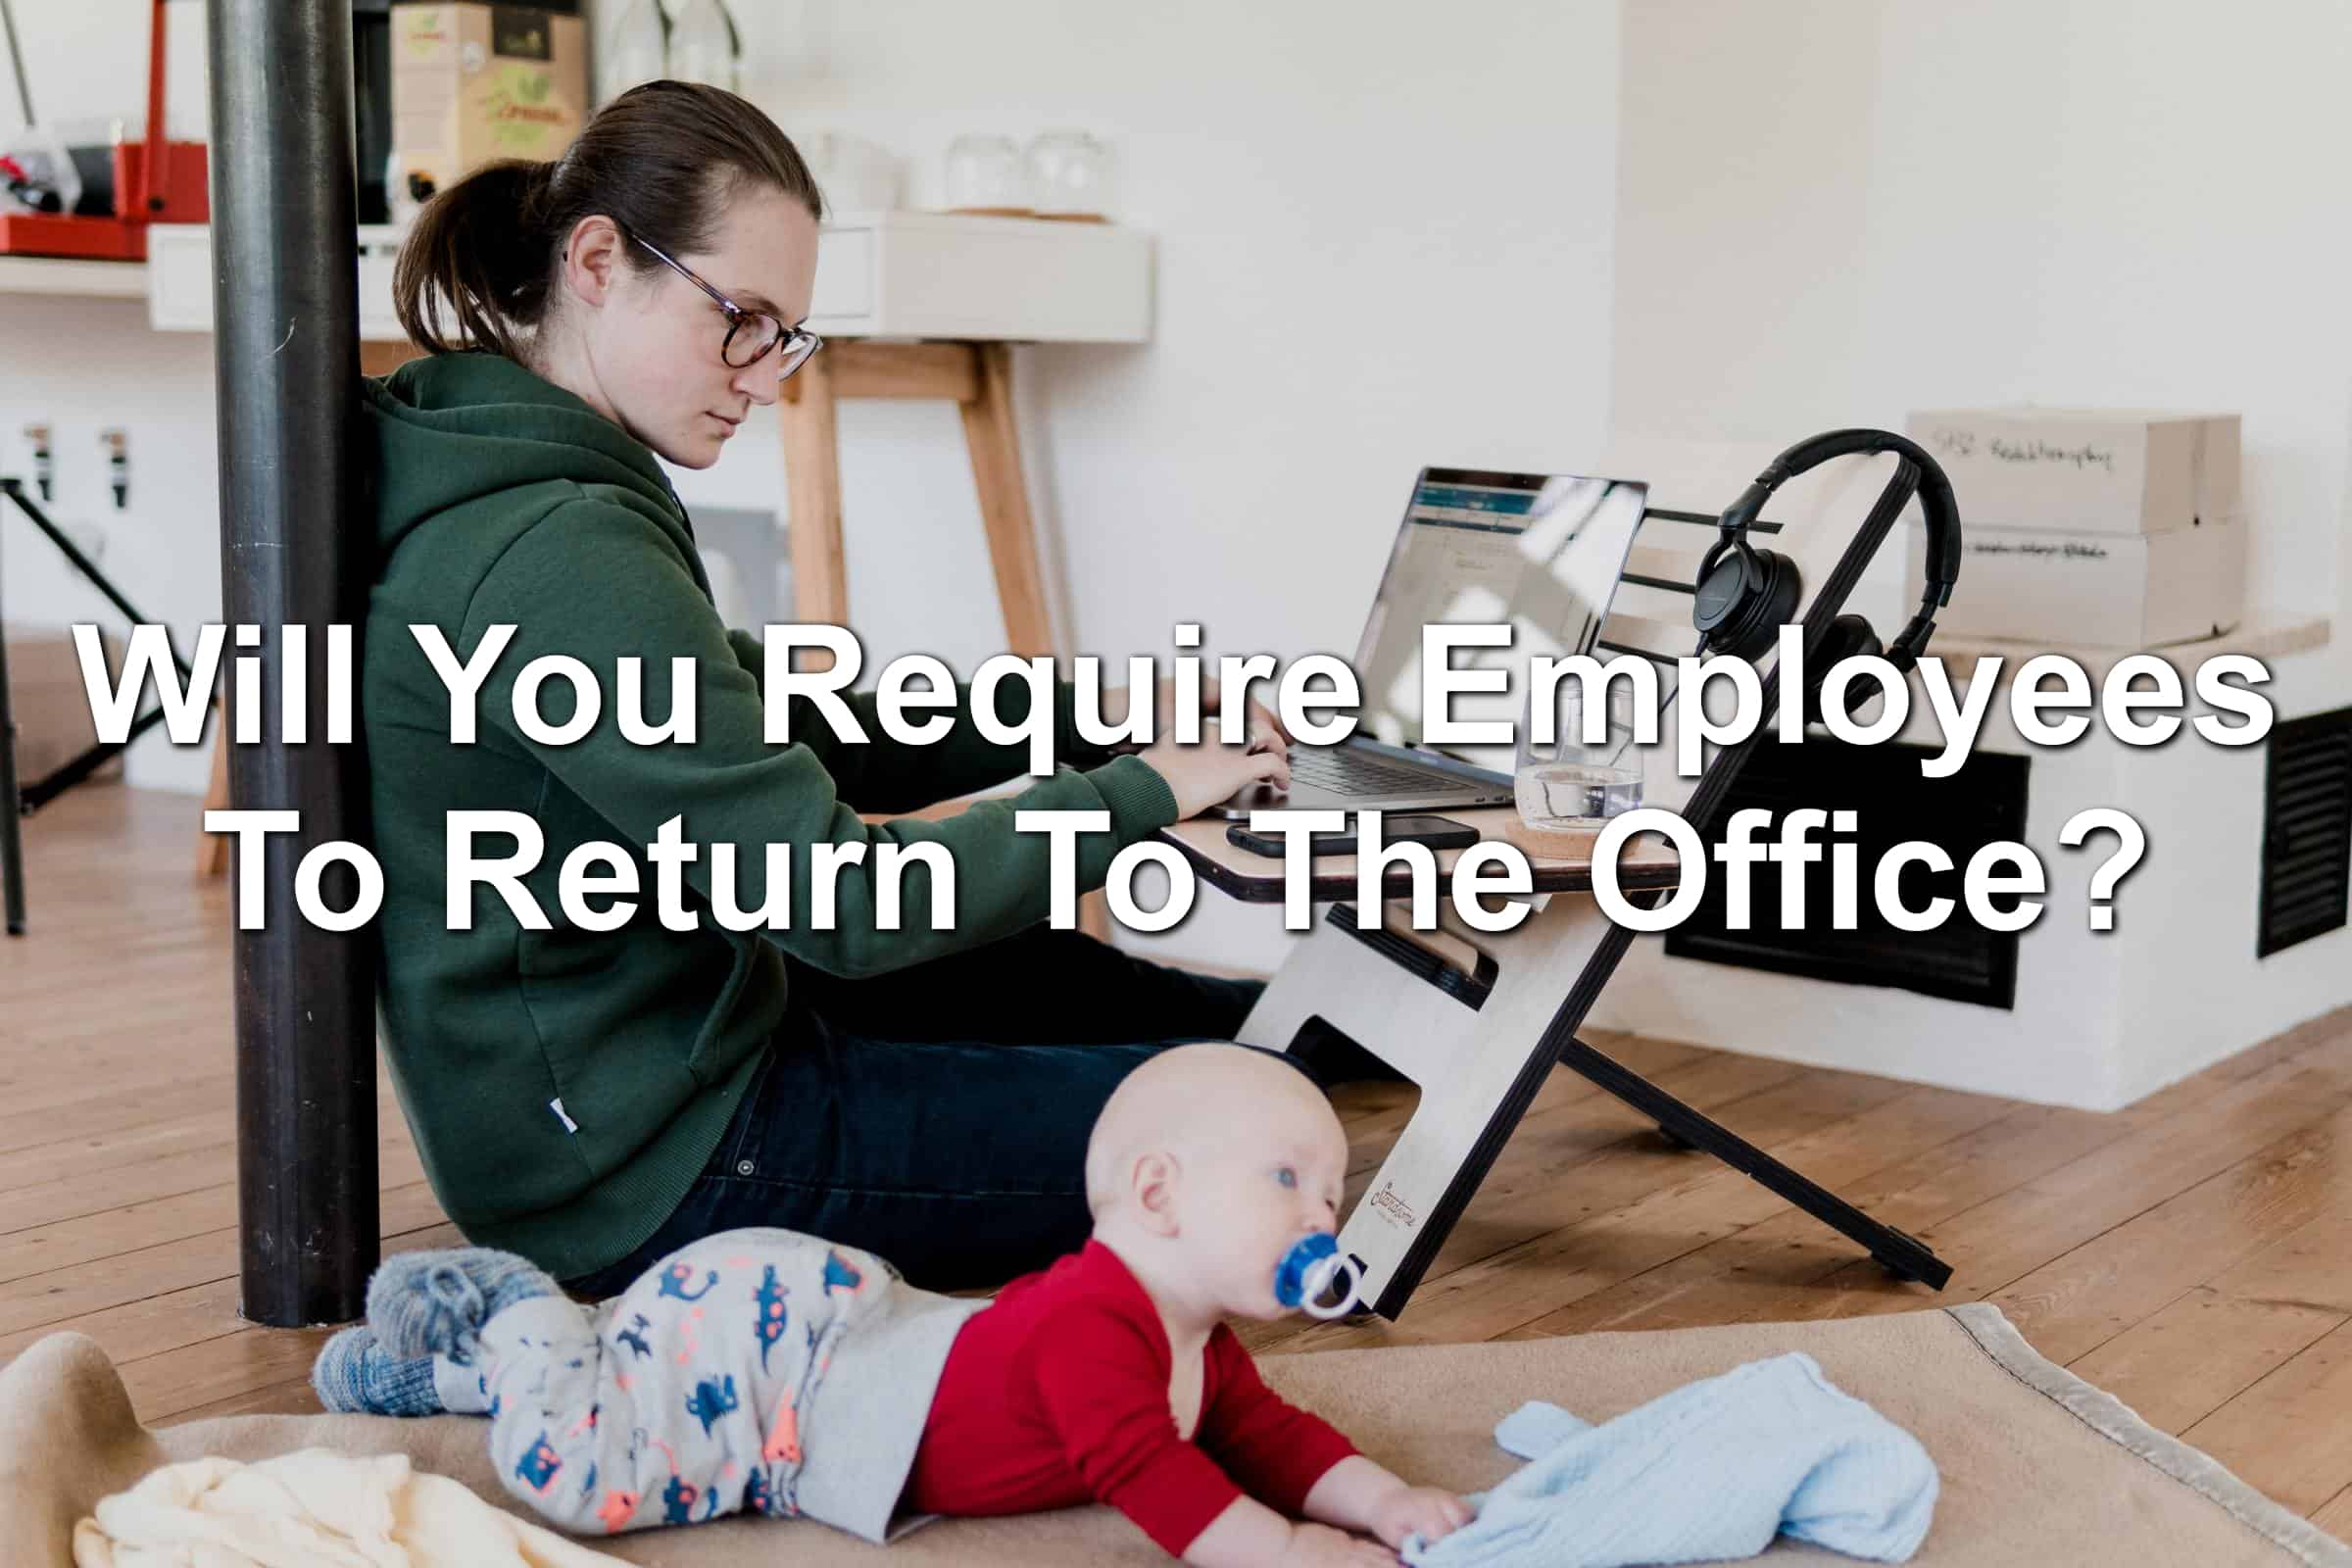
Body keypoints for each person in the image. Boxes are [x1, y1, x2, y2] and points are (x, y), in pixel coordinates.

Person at [361, 79, 1306, 1304]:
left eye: (785, 335)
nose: (766, 377)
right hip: (659, 1168)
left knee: (1089, 991)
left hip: (658, 1066)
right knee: (1238, 1130)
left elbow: (799, 724)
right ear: (598, 260)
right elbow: (841, 904)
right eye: (739, 320)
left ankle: (1300, 1028)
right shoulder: (557, 545)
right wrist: (1139, 792)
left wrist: (1104, 717)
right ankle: (1292, 1058)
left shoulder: (509, 470)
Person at [315, 1046, 1470, 1566]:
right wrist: (1280, 1549)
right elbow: (1147, 1472)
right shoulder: (1092, 1323)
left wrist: (1383, 1499)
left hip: (837, 1330)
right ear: (1158, 1190)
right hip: (783, 1372)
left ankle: (442, 1377)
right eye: (1290, 1181)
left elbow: (1270, 1437)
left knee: (626, 1380)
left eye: (1330, 1190)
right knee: (585, 1479)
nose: (1322, 1211)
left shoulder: (1198, 1346)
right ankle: (514, 1308)